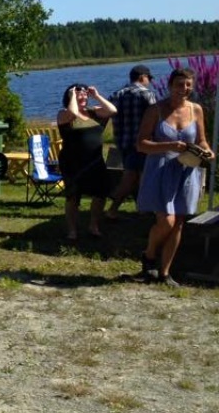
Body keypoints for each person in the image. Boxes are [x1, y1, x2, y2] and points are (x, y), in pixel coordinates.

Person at [135, 68, 214, 287]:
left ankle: (165, 272)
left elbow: (202, 140)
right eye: (180, 84)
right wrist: (170, 145)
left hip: (186, 170)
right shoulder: (155, 110)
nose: (184, 89)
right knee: (166, 221)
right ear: (170, 85)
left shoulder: (196, 110)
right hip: (160, 170)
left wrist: (207, 151)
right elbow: (141, 144)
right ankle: (149, 254)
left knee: (178, 223)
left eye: (188, 85)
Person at [57, 83, 117, 241]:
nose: (83, 97)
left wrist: (96, 95)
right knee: (73, 197)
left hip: (95, 161)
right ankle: (72, 231)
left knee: (100, 193)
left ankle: (94, 225)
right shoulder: (64, 114)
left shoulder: (94, 112)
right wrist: (72, 97)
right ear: (71, 97)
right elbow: (73, 112)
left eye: (85, 95)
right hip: (73, 163)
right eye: (79, 95)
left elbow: (112, 110)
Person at [106, 65, 157, 219]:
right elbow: (155, 118)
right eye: (149, 78)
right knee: (134, 177)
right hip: (142, 143)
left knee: (134, 176)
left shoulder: (117, 94)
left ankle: (142, 208)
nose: (149, 82)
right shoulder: (147, 94)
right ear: (142, 77)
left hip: (123, 143)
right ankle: (113, 209)